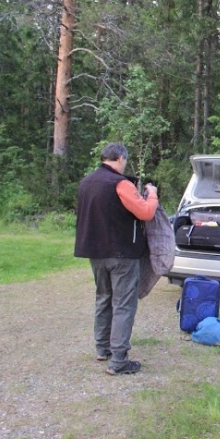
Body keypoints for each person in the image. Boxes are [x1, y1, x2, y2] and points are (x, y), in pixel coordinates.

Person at [74, 143, 159, 375]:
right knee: (123, 304)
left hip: (95, 252)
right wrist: (152, 195)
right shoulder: (120, 184)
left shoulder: (86, 182)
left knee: (103, 298)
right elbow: (146, 212)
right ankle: (119, 360)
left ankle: (103, 349)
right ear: (120, 158)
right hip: (121, 253)